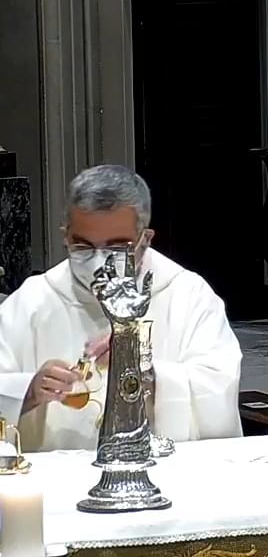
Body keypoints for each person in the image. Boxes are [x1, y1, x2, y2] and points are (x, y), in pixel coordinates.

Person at [0, 165, 242, 450]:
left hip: (162, 468)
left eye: (116, 247)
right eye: (82, 246)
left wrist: (145, 373)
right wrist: (28, 391)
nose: (98, 262)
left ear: (145, 240)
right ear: (66, 236)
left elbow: (218, 387)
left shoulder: (187, 294)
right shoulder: (33, 301)